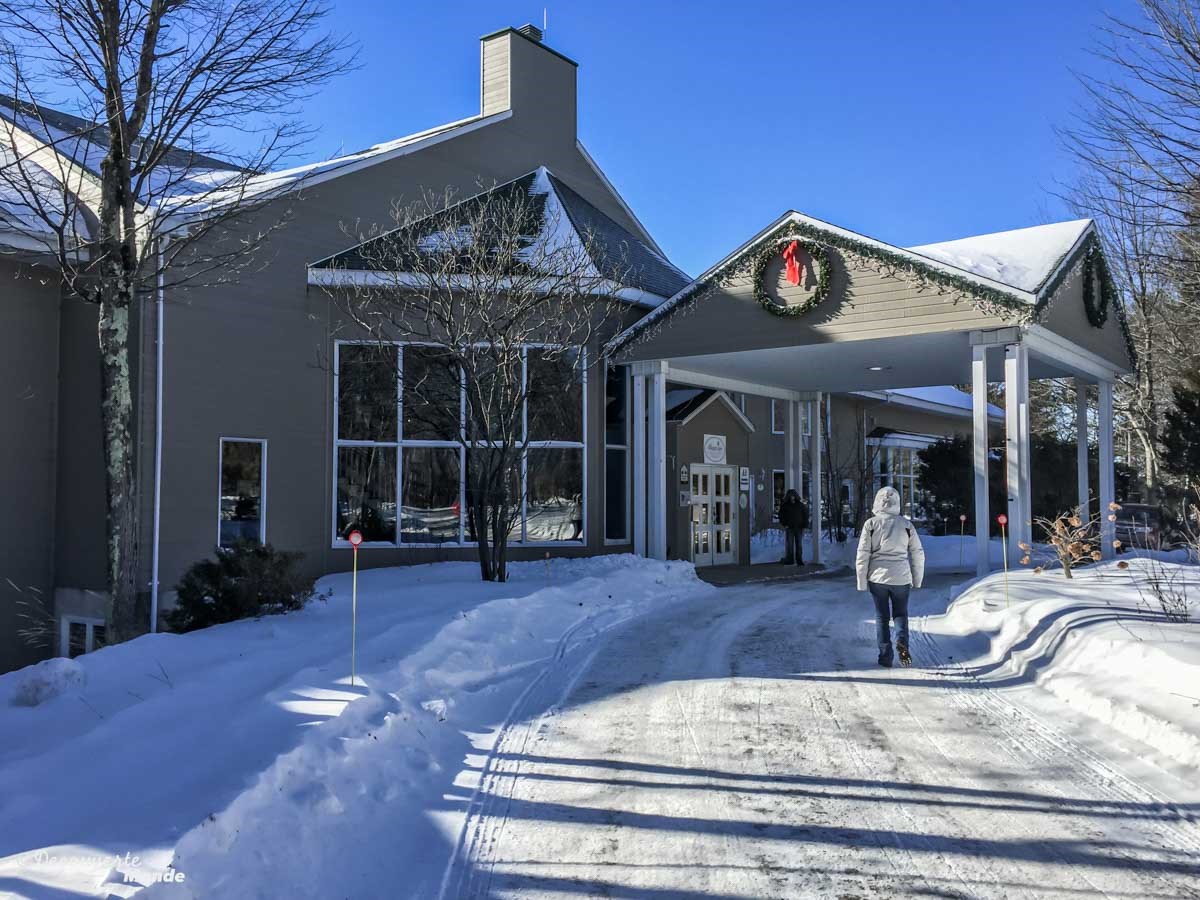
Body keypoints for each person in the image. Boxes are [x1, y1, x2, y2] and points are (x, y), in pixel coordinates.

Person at [856, 486, 925, 668]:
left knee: (882, 617)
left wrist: (861, 581)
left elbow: (863, 553)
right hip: (901, 578)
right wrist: (917, 579)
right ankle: (902, 643)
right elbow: (917, 552)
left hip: (877, 578)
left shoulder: (871, 524)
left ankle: (885, 656)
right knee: (901, 614)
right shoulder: (906, 525)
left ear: (878, 502)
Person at [777, 489, 809, 566]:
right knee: (790, 545)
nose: (792, 497)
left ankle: (799, 560)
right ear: (788, 496)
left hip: (799, 527)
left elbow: (805, 515)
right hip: (790, 528)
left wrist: (805, 525)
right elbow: (781, 516)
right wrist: (785, 524)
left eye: (793, 496)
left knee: (799, 545)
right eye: (790, 496)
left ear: (796, 496)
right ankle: (790, 559)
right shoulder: (785, 505)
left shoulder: (800, 505)